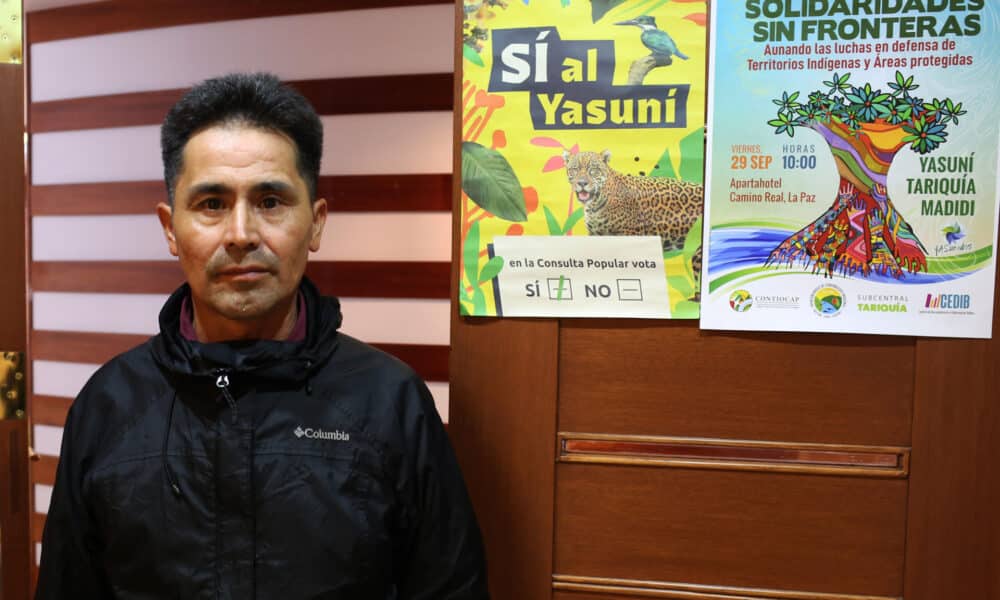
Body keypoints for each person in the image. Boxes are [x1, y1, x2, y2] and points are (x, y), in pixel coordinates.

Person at [36, 72, 489, 599]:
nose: (242, 234)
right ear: (169, 227)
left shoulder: (390, 402)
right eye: (211, 204)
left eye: (271, 201)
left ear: (316, 223)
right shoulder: (108, 406)